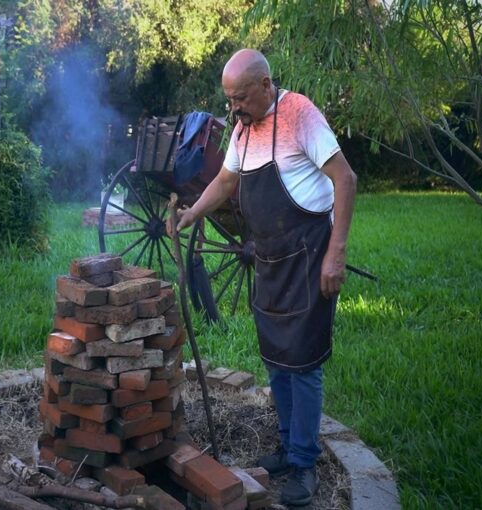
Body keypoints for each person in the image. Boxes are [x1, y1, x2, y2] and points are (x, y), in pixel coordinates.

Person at [168, 49, 357, 506]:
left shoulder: (299, 114)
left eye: (241, 97)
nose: (233, 107)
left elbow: (345, 179)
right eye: (229, 99)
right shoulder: (242, 130)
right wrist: (192, 212)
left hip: (309, 257)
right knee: (276, 358)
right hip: (269, 260)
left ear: (266, 85)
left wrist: (336, 253)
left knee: (304, 362)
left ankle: (304, 463)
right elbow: (227, 182)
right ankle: (289, 445)